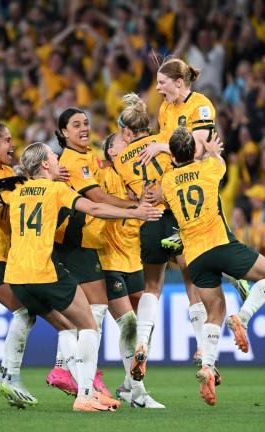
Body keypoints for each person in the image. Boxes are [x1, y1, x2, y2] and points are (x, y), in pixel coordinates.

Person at [0, 142, 161, 411]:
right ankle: (85, 394)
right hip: (43, 271)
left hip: (16, 276)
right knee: (89, 324)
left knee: (66, 327)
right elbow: (95, 209)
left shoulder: (15, 190)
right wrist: (135, 212)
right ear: (46, 165)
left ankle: (70, 378)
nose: (59, 160)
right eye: (54, 157)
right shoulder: (56, 189)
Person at [114, 87, 246, 384]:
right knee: (192, 279)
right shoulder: (164, 143)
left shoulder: (121, 161)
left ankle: (142, 343)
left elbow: (132, 192)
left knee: (152, 286)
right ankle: (202, 346)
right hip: (177, 216)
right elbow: (189, 158)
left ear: (125, 132)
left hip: (149, 219)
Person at [146, 127, 265, 406]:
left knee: (215, 311)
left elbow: (155, 196)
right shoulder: (210, 169)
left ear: (173, 155)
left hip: (194, 258)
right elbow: (220, 161)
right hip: (221, 244)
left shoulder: (169, 182)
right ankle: (242, 318)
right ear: (193, 151)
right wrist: (209, 149)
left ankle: (208, 366)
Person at [0, 120, 73, 408]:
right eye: (8, 141)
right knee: (25, 312)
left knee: (28, 314)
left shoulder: (8, 172)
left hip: (6, 256)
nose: (13, 146)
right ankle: (7, 376)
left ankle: (9, 378)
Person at [48, 108, 139, 398]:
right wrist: (133, 207)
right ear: (63, 133)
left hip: (83, 242)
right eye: (76, 125)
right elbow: (97, 199)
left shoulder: (85, 156)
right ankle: (81, 375)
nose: (84, 128)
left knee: (82, 314)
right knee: (94, 312)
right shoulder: (73, 160)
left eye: (86, 123)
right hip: (75, 242)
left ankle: (68, 367)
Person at [96, 131, 164, 408]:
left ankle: (126, 385)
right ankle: (138, 393)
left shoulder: (143, 178)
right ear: (112, 152)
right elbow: (97, 201)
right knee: (128, 324)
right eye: (123, 143)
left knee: (144, 329)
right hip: (109, 260)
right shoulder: (103, 177)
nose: (131, 146)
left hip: (135, 260)